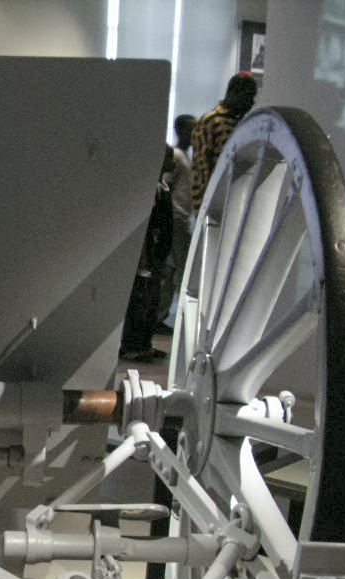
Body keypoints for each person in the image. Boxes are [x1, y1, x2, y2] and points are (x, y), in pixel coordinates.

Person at [120, 145, 175, 362]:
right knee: (142, 301)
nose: (172, 162)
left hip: (155, 254)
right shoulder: (153, 189)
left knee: (150, 302)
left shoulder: (160, 187)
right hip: (148, 256)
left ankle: (143, 344)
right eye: (168, 158)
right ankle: (134, 345)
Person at [190, 72, 258, 208]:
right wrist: (207, 206)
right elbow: (203, 167)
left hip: (231, 201)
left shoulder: (239, 123)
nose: (251, 102)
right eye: (248, 96)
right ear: (234, 93)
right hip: (214, 204)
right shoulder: (211, 121)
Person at [158, 113, 196, 329]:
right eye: (191, 129)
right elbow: (167, 186)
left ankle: (160, 315)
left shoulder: (184, 157)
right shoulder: (178, 157)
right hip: (175, 219)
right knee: (177, 269)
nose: (194, 134)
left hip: (179, 219)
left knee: (172, 269)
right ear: (181, 130)